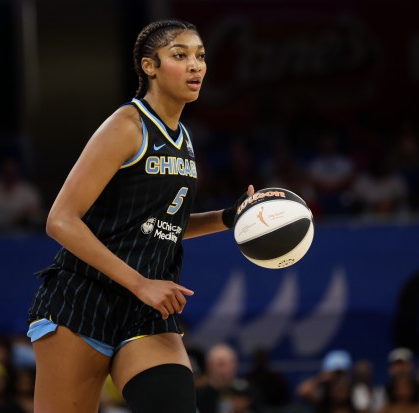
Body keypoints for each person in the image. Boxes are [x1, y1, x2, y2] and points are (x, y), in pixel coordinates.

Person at [26, 19, 254, 413]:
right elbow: (60, 220)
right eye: (180, 55)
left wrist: (228, 217)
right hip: (84, 298)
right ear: (150, 66)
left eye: (200, 56)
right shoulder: (127, 125)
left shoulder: (183, 138)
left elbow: (160, 226)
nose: (195, 65)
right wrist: (141, 283)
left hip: (146, 310)